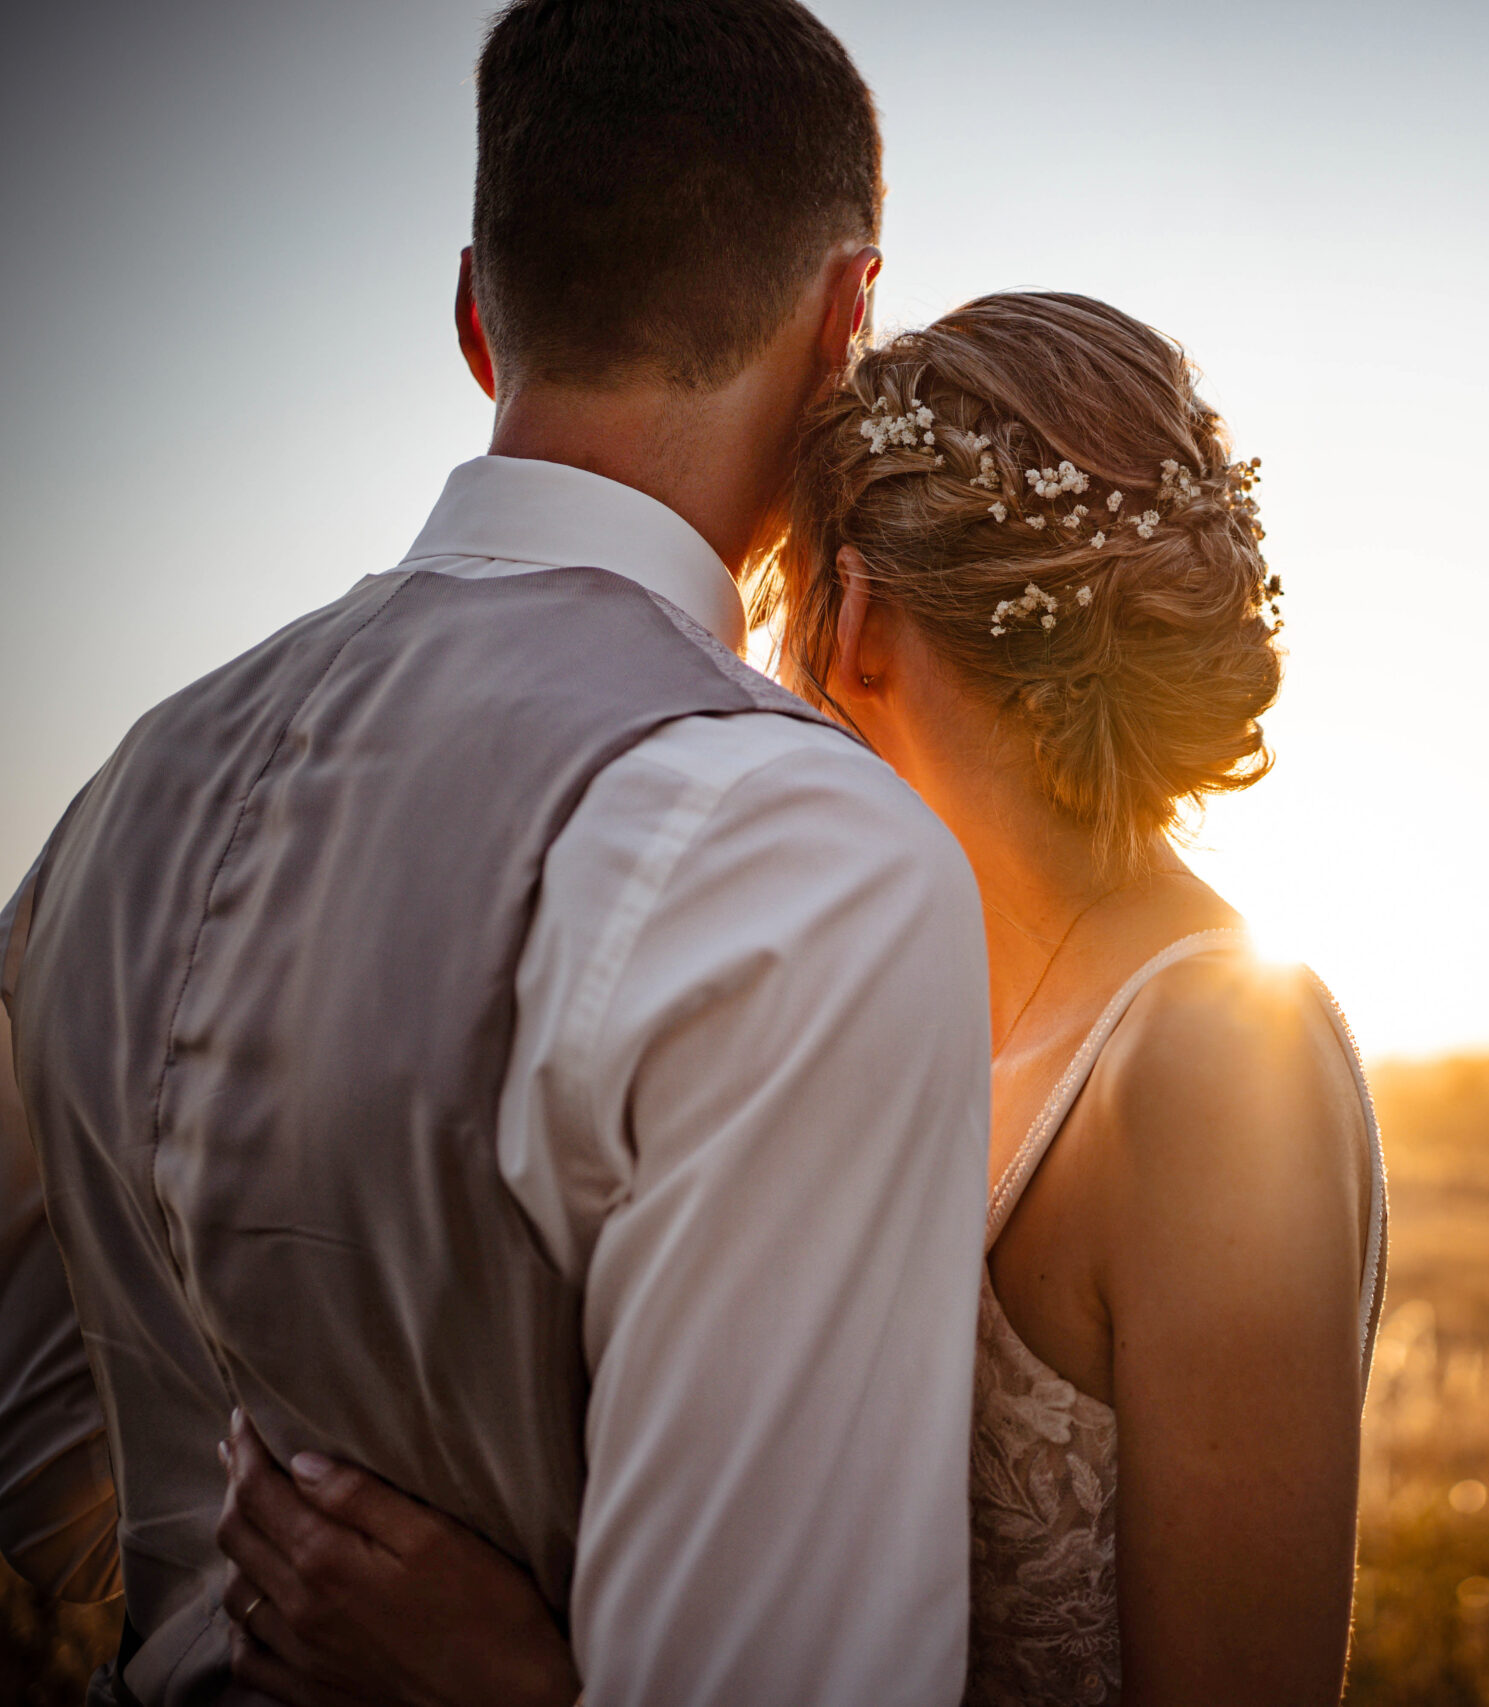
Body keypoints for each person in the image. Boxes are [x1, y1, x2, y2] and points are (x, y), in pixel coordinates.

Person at [0, 3, 993, 1702]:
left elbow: (36, 1476)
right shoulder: (800, 855)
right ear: (847, 322)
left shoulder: (119, 792)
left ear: (477, 316)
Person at [210, 291, 1391, 1706]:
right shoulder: (908, 994)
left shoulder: (1212, 1063)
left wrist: (503, 1685)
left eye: (776, 606)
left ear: (859, 625)